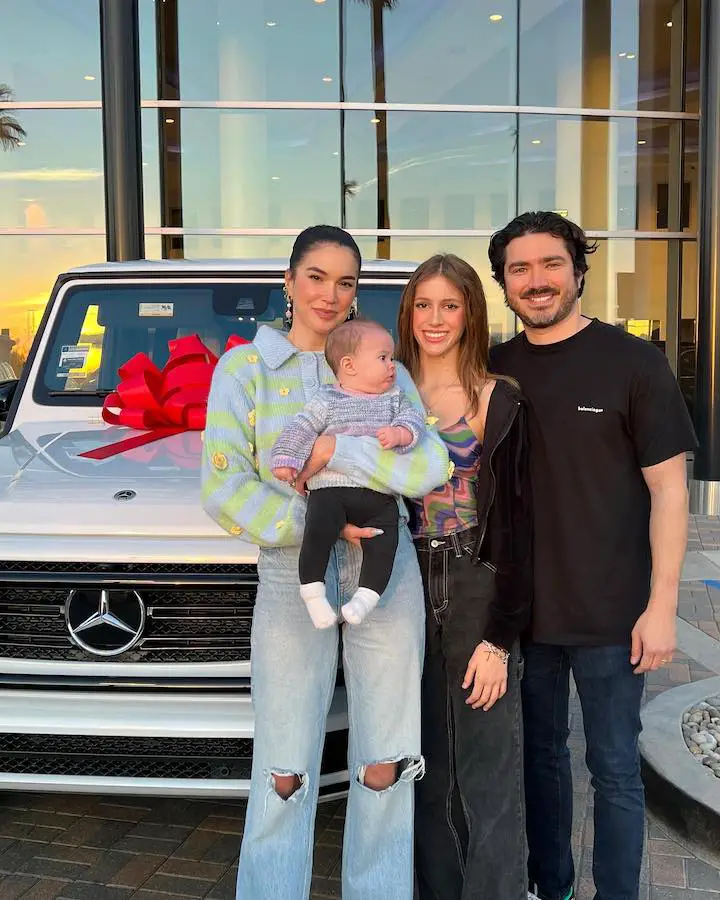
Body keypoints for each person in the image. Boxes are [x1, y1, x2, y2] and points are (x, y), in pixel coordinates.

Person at [201, 225, 450, 900]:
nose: (329, 294)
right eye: (315, 276)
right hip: (292, 574)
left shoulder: (389, 369)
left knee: (386, 758)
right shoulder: (245, 371)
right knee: (282, 764)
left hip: (386, 572)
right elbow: (223, 489)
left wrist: (346, 455)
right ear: (287, 282)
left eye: (345, 282)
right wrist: (321, 519)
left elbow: (430, 461)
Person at [488, 211, 698, 900]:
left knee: (613, 768)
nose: (537, 280)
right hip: (525, 619)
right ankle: (550, 887)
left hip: (615, 617)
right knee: (540, 765)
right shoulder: (493, 369)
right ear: (504, 283)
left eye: (551, 264)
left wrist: (662, 605)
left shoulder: (633, 363)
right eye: (520, 268)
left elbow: (670, 490)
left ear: (579, 270)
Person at [394, 253, 532, 900]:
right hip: (400, 584)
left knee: (488, 762)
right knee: (421, 760)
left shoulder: (497, 398)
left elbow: (521, 526)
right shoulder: (380, 390)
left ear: (472, 311)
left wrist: (500, 639)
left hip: (477, 580)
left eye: (450, 305)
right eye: (424, 304)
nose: (435, 319)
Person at [271, 318, 426, 628]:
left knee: (385, 542)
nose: (392, 365)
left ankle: (366, 598)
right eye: (383, 358)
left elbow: (415, 422)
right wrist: (285, 458)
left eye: (391, 357)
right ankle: (313, 592)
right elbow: (300, 428)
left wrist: (400, 434)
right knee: (316, 532)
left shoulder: (395, 398)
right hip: (331, 491)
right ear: (349, 365)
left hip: (379, 495)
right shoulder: (327, 399)